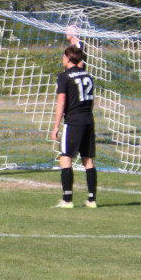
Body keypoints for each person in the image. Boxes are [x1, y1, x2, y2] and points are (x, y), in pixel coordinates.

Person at [51, 44, 98, 208]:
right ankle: (92, 200)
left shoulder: (64, 77)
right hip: (88, 119)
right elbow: (91, 100)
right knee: (88, 159)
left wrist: (56, 126)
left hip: (73, 121)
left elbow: (61, 102)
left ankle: (67, 199)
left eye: (64, 56)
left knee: (65, 158)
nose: (62, 59)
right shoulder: (87, 76)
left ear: (69, 58)